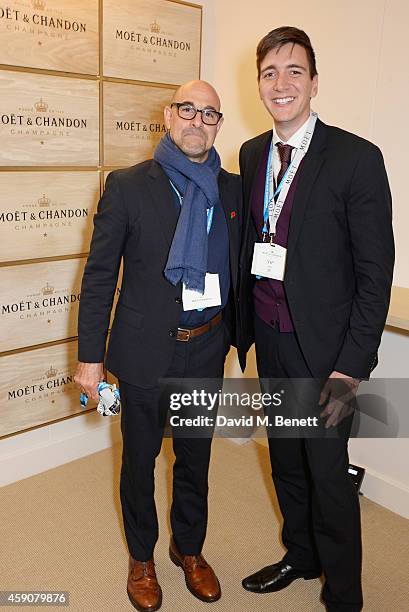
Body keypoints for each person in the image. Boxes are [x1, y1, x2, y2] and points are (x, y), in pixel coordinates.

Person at [238, 27, 394, 612]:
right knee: (285, 459)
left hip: (326, 352)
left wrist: (352, 367)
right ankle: (300, 557)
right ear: (259, 84)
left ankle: (344, 594)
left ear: (314, 82)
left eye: (294, 71)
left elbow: (374, 273)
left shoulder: (356, 158)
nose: (282, 84)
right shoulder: (253, 154)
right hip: (272, 340)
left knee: (328, 474)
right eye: (270, 73)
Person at [74, 80, 241, 612]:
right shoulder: (126, 185)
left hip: (206, 347)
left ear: (219, 124)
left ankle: (189, 549)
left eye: (210, 113)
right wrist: (90, 357)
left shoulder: (232, 189)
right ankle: (141, 558)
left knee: (195, 459)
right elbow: (100, 276)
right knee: (140, 461)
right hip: (145, 347)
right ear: (168, 115)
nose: (198, 120)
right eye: (187, 109)